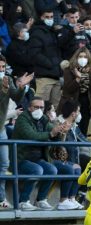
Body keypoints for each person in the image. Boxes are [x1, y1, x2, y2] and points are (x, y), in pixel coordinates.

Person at [12, 96, 69, 211]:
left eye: (41, 107)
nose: (39, 110)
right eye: (36, 107)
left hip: (37, 158)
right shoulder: (23, 119)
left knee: (52, 170)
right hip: (20, 158)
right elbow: (31, 136)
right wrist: (51, 134)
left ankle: (41, 200)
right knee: (37, 170)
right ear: (29, 108)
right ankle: (23, 201)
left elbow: (52, 131)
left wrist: (60, 131)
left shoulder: (43, 119)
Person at [0, 55, 33, 209]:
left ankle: (1, 199)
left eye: (2, 67)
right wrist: (3, 89)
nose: (1, 70)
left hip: (1, 128)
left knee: (4, 163)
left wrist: (21, 87)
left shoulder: (6, 79)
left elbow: (15, 96)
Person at [57, 47, 91, 136]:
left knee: (83, 130)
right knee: (69, 130)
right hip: (71, 103)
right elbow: (68, 88)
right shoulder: (69, 69)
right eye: (80, 56)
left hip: (85, 104)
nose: (83, 59)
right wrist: (78, 78)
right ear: (76, 58)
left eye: (85, 57)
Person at [29, 9, 63, 108]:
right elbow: (34, 54)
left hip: (56, 76)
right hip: (44, 76)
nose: (49, 19)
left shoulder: (52, 32)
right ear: (41, 17)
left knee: (54, 109)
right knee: (40, 107)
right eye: (46, 17)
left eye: (51, 17)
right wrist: (50, 64)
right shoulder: (37, 32)